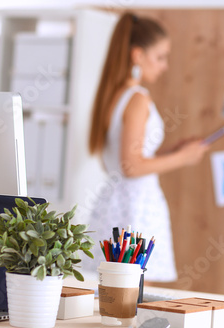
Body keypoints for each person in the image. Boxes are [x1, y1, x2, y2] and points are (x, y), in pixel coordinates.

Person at [85, 12, 209, 282]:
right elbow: (132, 166)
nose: (165, 66)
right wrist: (182, 158)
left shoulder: (113, 95)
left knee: (116, 291)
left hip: (115, 203)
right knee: (135, 295)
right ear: (138, 55)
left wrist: (169, 153)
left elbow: (124, 161)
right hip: (136, 206)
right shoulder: (138, 99)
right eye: (160, 57)